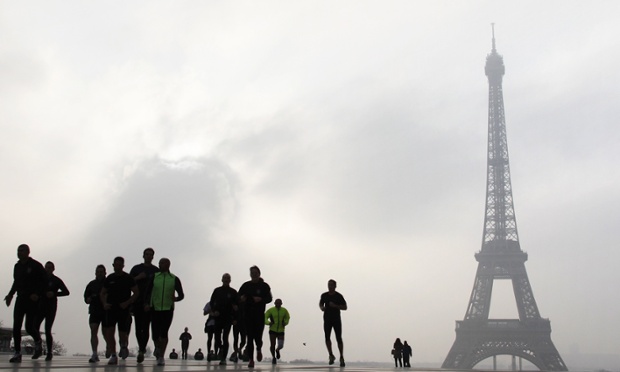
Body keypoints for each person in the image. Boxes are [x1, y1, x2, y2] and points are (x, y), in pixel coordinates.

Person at [4, 244, 47, 363]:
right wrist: (10, 295)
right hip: (21, 298)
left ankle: (38, 341)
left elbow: (44, 281)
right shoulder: (17, 266)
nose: (19, 253)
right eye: (18, 251)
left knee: (29, 326)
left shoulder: (35, 265)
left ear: (28, 252)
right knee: (16, 326)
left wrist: (37, 294)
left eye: (22, 251)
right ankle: (17, 353)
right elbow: (16, 282)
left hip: (32, 300)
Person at [144, 257, 184, 366]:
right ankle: (157, 346)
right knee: (155, 334)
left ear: (168, 265)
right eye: (160, 263)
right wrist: (146, 304)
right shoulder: (154, 277)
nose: (161, 265)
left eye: (163, 263)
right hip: (155, 308)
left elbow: (181, 295)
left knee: (164, 332)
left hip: (168, 309)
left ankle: (161, 356)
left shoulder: (174, 278)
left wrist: (176, 298)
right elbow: (147, 292)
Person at [100, 256, 139, 365]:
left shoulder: (128, 278)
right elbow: (102, 293)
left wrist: (127, 303)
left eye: (119, 265)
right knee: (109, 332)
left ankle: (123, 345)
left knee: (122, 333)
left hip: (123, 309)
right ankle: (113, 355)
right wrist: (104, 303)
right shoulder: (110, 278)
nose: (117, 267)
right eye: (115, 265)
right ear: (113, 265)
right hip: (111, 308)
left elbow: (136, 293)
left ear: (123, 266)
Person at [238, 265, 272, 368]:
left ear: (259, 273)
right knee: (249, 338)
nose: (254, 274)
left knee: (258, 338)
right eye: (252, 273)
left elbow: (270, 298)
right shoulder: (245, 285)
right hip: (248, 315)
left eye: (256, 272)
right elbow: (238, 298)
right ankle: (251, 360)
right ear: (250, 274)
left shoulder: (264, 286)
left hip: (259, 315)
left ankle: (259, 349)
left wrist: (261, 299)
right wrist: (241, 299)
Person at [129, 247, 159, 363]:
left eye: (150, 254)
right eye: (146, 254)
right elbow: (128, 282)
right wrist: (138, 277)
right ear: (143, 256)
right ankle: (141, 347)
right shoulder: (136, 268)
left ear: (153, 257)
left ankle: (142, 350)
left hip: (150, 302)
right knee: (138, 327)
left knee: (146, 326)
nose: (148, 256)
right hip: (138, 301)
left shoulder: (156, 271)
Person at [38, 261, 70, 360]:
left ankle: (49, 352)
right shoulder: (40, 279)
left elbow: (66, 292)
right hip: (40, 306)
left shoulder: (56, 280)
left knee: (48, 329)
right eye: (46, 267)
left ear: (53, 269)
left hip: (51, 307)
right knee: (34, 326)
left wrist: (54, 294)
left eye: (50, 268)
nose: (48, 269)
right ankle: (38, 346)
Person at [209, 273, 238, 365]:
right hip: (218, 317)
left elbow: (237, 306)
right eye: (224, 278)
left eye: (228, 278)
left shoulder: (233, 292)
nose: (226, 280)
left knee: (225, 337)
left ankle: (223, 358)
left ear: (230, 280)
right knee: (217, 337)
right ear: (222, 280)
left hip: (228, 318)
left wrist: (235, 318)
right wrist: (214, 312)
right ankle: (221, 348)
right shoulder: (217, 291)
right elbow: (212, 302)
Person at [319, 279, 347, 367]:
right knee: (327, 337)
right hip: (327, 319)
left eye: (331, 285)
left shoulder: (338, 296)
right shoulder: (324, 295)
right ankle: (331, 355)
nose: (330, 286)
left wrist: (335, 306)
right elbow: (320, 304)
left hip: (336, 319)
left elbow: (345, 307)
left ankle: (341, 356)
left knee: (338, 337)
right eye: (328, 285)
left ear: (335, 286)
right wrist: (322, 307)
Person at [84, 264, 107, 363]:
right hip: (94, 310)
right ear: (95, 273)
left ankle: (109, 346)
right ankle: (94, 353)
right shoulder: (91, 284)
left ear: (105, 272)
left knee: (106, 333)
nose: (100, 273)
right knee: (93, 331)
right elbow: (86, 297)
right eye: (98, 272)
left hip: (106, 311)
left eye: (101, 272)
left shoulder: (108, 282)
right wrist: (87, 299)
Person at [264, 298, 290, 364]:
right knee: (272, 345)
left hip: (281, 330)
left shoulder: (284, 311)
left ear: (281, 303)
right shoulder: (271, 310)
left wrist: (285, 323)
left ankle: (277, 350)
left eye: (279, 303)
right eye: (277, 303)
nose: (278, 304)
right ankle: (273, 357)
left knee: (281, 345)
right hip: (272, 330)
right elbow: (265, 317)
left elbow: (287, 317)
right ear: (274, 303)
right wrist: (268, 323)